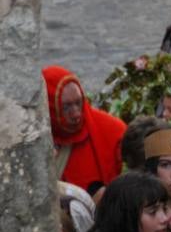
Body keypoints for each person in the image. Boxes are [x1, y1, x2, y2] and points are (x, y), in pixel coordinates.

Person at [43, 66, 126, 195]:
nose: (76, 114)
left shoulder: (114, 132)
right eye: (66, 107)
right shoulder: (36, 141)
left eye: (78, 102)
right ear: (51, 107)